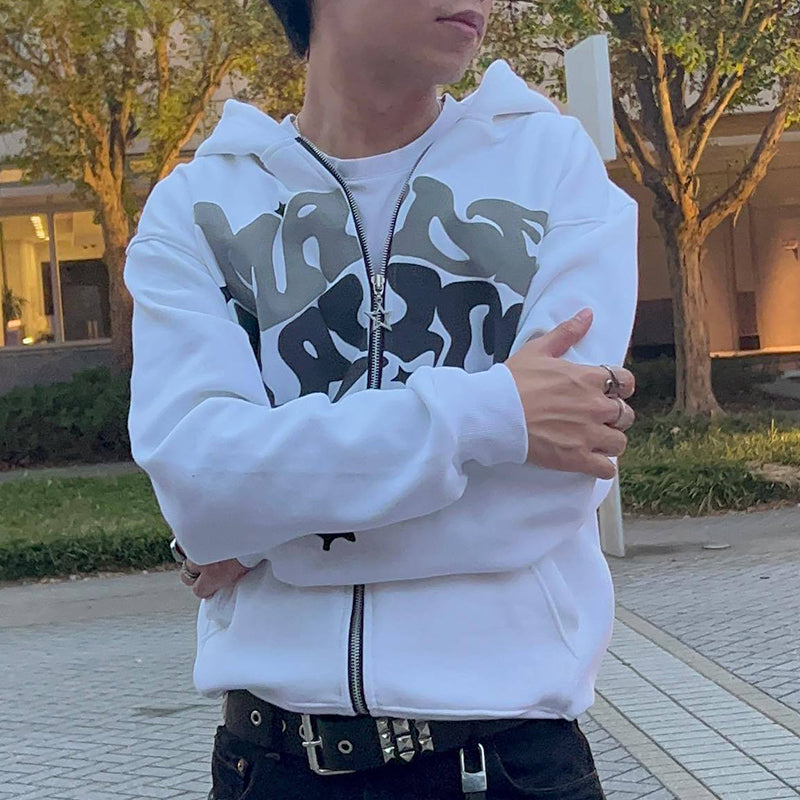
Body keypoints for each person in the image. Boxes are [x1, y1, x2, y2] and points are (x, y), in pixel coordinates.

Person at [124, 0, 639, 797]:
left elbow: (550, 486)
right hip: (274, 765)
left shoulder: (551, 168)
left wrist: (263, 533)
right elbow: (200, 483)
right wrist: (493, 415)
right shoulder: (197, 210)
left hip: (505, 763)